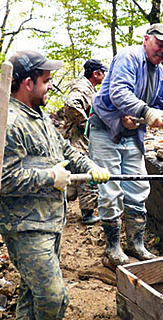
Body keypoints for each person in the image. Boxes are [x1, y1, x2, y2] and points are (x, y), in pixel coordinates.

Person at [0, 50, 110, 320]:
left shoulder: (38, 116)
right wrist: (49, 178)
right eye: (46, 81)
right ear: (27, 83)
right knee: (53, 296)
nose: (51, 87)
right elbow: (0, 180)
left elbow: (65, 151)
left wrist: (90, 166)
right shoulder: (8, 122)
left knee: (32, 287)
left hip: (50, 220)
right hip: (24, 224)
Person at [89, 23, 163, 269]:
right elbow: (118, 92)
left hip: (133, 134)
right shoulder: (129, 57)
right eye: (159, 45)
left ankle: (136, 244)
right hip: (105, 129)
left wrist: (150, 117)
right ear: (147, 39)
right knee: (110, 187)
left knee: (138, 186)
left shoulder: (162, 76)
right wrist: (143, 112)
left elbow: (158, 105)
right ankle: (112, 248)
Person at [56, 59, 108, 224]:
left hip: (76, 137)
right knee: (86, 174)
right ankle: (87, 213)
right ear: (96, 74)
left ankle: (58, 212)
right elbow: (71, 104)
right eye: (103, 72)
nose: (105, 76)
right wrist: (85, 123)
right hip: (76, 138)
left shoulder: (88, 87)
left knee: (71, 177)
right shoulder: (83, 88)